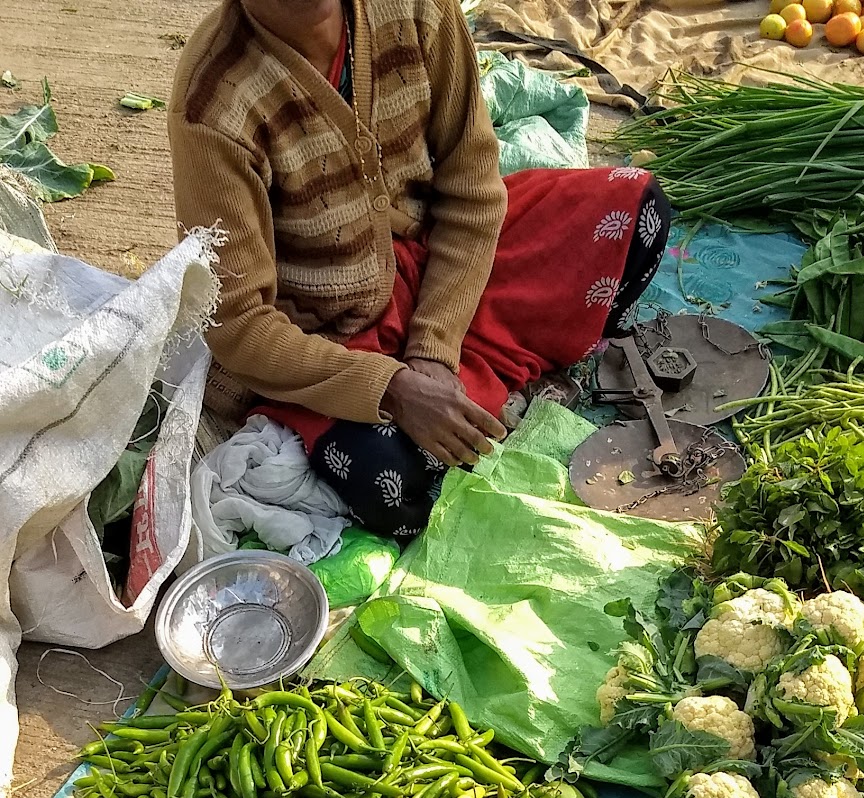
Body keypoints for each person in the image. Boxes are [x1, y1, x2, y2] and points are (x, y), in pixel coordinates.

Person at [168, 0, 671, 541]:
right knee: (384, 479)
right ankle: (491, 390)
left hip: (450, 264)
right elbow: (239, 325)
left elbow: (474, 192)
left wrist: (433, 350)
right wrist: (394, 388)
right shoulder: (213, 105)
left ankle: (473, 386)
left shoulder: (419, 10)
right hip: (339, 333)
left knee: (635, 209)